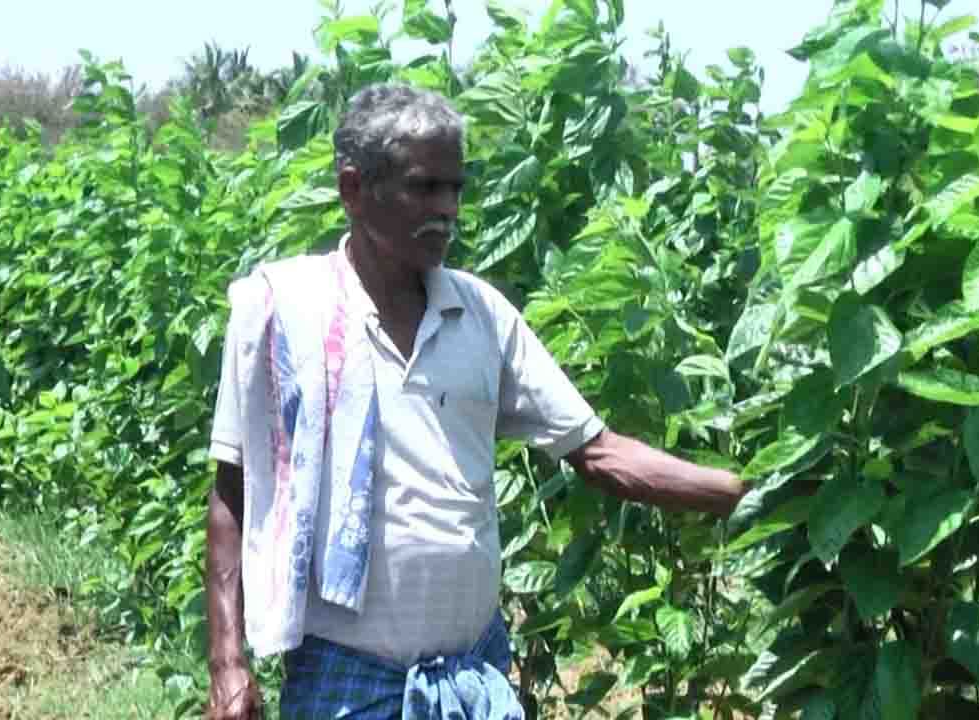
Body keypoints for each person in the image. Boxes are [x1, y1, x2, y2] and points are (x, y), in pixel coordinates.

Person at [204, 83, 745, 720]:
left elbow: (598, 453)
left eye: (455, 189)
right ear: (353, 189)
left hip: (473, 677)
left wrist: (742, 490)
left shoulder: (479, 313)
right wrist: (228, 660)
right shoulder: (286, 313)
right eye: (423, 188)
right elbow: (233, 492)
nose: (447, 210)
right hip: (347, 679)